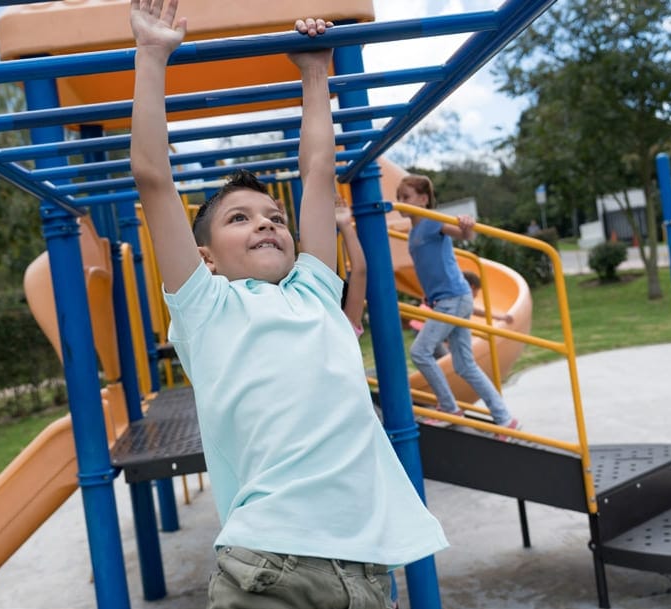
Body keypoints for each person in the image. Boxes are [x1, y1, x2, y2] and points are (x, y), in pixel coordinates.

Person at [129, 3, 448, 607]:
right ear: (206, 257)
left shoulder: (315, 294)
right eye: (239, 219)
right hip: (268, 563)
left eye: (275, 216)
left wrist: (314, 73)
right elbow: (153, 178)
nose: (266, 223)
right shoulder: (207, 306)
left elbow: (318, 172)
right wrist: (151, 55)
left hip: (365, 570)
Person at [396, 174, 521, 438]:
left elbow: (464, 234)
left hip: (452, 298)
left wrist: (467, 226)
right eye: (398, 198)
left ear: (423, 199)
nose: (400, 202)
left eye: (405, 197)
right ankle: (505, 419)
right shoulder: (413, 232)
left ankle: (449, 407)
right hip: (449, 298)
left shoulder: (432, 221)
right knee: (465, 365)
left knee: (420, 352)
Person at [335, 195, 366, 337]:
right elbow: (360, 270)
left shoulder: (344, 331)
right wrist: (345, 224)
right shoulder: (345, 331)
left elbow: (360, 271)